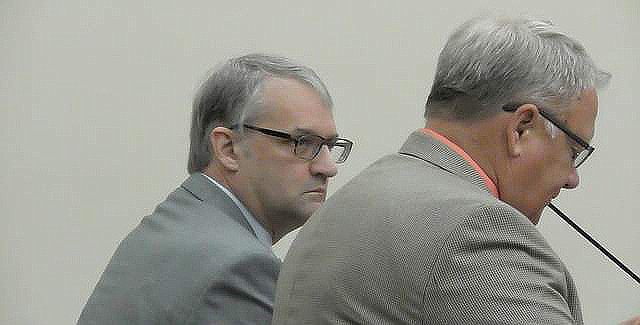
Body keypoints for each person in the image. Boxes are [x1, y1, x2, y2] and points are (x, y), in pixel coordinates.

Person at [272, 17, 622, 324]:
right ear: (521, 128)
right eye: (573, 151)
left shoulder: (353, 200)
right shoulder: (478, 231)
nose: (572, 178)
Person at [77, 53, 353, 324]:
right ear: (228, 149)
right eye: (303, 142)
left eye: (329, 146)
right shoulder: (239, 267)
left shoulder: (173, 226)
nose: (328, 168)